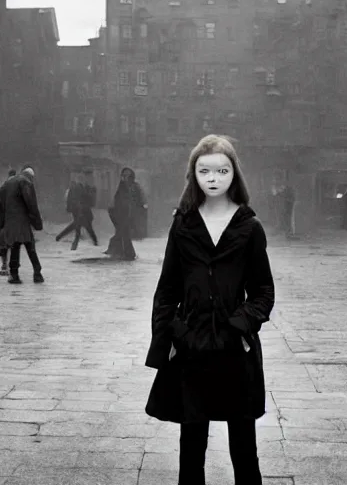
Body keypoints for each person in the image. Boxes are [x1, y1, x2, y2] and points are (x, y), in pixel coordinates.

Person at [144, 134, 274, 485]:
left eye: (222, 170)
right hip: (192, 349)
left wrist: (239, 326)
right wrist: (176, 332)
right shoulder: (183, 224)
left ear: (234, 174)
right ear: (194, 175)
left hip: (237, 350)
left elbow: (263, 291)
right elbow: (167, 290)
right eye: (205, 171)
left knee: (244, 451)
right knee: (191, 449)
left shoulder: (250, 227)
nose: (213, 178)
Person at [0, 165, 45, 284]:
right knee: (30, 247)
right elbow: (31, 204)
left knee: (15, 246)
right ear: (31, 176)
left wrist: (2, 224)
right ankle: (37, 273)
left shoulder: (8, 183)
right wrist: (37, 222)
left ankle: (14, 275)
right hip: (22, 222)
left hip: (10, 221)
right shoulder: (25, 182)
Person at [105, 167, 146, 260]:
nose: (125, 177)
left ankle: (120, 251)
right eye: (124, 175)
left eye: (127, 176)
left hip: (128, 214)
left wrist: (140, 208)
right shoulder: (122, 186)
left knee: (123, 232)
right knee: (123, 232)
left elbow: (139, 199)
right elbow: (116, 200)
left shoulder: (134, 187)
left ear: (131, 177)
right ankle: (124, 253)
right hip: (119, 213)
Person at [56, 170, 99, 250]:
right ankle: (93, 242)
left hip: (81, 211)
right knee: (82, 228)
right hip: (80, 211)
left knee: (77, 227)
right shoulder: (79, 187)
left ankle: (61, 238)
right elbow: (81, 199)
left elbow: (87, 200)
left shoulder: (83, 187)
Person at [0, 169, 17, 276]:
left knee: (4, 243)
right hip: (10, 220)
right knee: (8, 243)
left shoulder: (6, 186)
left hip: (6, 221)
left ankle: (6, 264)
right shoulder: (13, 186)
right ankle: (8, 264)